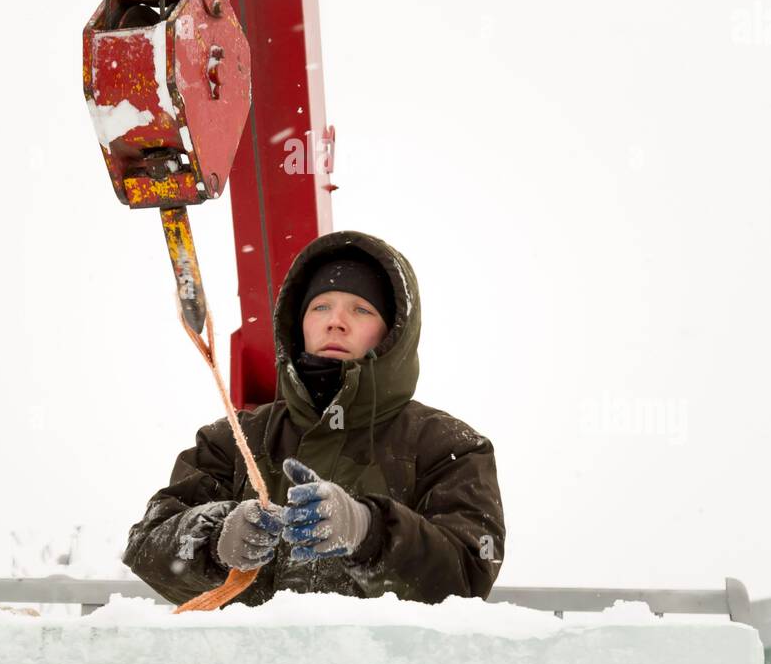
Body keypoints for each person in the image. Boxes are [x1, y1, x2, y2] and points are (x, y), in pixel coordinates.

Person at [122, 230, 506, 606]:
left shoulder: (449, 446)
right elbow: (146, 549)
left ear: (393, 332)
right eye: (320, 306)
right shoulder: (234, 438)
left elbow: (469, 575)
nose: (336, 321)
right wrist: (216, 538)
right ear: (298, 324)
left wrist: (367, 530)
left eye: (361, 309)